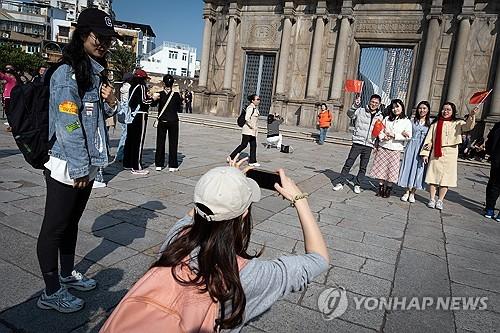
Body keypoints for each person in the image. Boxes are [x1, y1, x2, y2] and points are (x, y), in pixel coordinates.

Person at [100, 156, 329, 332]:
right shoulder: (247, 276)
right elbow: (319, 259)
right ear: (244, 215)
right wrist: (300, 199)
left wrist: (225, 179)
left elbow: (199, 212)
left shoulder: (176, 240)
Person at [36, 8, 120, 313]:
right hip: (66, 164)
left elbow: (97, 119)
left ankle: (67, 274)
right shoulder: (66, 74)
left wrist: (111, 102)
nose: (105, 43)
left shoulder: (93, 72)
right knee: (54, 227)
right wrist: (81, 167)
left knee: (71, 224)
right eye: (101, 37)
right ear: (83, 34)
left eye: (109, 39)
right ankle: (50, 291)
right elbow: (68, 125)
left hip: (85, 163)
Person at [420, 102, 477, 210]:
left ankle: (440, 200)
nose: (445, 112)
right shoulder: (435, 124)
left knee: (446, 178)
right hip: (436, 152)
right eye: (444, 109)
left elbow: (468, 126)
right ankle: (432, 199)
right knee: (433, 177)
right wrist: (425, 154)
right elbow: (428, 140)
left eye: (448, 110)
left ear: (453, 111)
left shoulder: (458, 123)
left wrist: (472, 115)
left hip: (451, 153)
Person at [333, 94, 383, 194]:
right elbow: (350, 114)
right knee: (348, 163)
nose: (374, 104)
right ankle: (341, 183)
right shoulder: (360, 110)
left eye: (376, 103)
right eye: (372, 102)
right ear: (369, 101)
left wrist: (376, 143)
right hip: (358, 142)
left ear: (379, 104)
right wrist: (354, 106)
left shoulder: (380, 116)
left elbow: (379, 131)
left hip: (369, 144)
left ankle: (357, 184)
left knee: (363, 167)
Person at [369, 99, 412, 198]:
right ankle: (380, 187)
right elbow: (380, 130)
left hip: (396, 148)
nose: (395, 109)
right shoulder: (387, 118)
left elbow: (408, 136)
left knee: (391, 170)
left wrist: (394, 135)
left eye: (397, 107)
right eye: (393, 107)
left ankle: (388, 188)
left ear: (402, 107)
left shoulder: (406, 121)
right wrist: (383, 136)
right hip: (384, 146)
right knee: (381, 168)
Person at [398, 101, 431, 202]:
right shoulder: (412, 121)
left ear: (428, 110)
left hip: (422, 149)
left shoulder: (430, 123)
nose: (422, 110)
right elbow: (405, 130)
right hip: (411, 147)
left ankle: (413, 192)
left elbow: (430, 139)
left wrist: (426, 152)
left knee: (419, 170)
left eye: (424, 108)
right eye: (420, 108)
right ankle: (407, 191)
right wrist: (404, 132)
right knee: (408, 167)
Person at [123, 69, 153, 175]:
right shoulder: (141, 86)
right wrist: (153, 98)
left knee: (130, 140)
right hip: (140, 115)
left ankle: (127, 163)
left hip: (132, 115)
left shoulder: (132, 86)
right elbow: (144, 100)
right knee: (138, 141)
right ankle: (136, 166)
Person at [152, 74, 182, 172]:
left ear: (164, 83)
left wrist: (153, 98)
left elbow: (152, 104)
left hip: (162, 121)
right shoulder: (176, 95)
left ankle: (159, 164)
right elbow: (179, 109)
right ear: (172, 84)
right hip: (173, 120)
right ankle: (172, 165)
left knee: (160, 142)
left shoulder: (159, 94)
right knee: (173, 143)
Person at [229, 94, 261, 167]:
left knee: (253, 145)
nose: (259, 101)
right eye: (257, 99)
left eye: (259, 99)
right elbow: (247, 118)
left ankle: (252, 161)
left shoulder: (255, 108)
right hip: (247, 131)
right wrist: (252, 127)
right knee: (243, 145)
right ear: (252, 101)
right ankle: (231, 157)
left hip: (252, 131)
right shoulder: (250, 108)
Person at [114, 72, 133, 162]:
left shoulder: (121, 87)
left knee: (124, 134)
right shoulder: (129, 88)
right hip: (126, 114)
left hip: (121, 113)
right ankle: (120, 155)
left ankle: (121, 154)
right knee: (125, 135)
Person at [484, 121, 500, 221]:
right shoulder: (498, 125)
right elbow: (490, 140)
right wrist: (490, 152)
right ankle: (490, 208)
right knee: (494, 185)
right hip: (497, 160)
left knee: (494, 185)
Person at [0, 65, 21, 131]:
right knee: (9, 113)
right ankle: (12, 125)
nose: (6, 74)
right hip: (7, 98)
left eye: (7, 72)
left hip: (9, 98)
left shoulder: (12, 79)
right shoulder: (11, 80)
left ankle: (12, 126)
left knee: (9, 113)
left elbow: (2, 76)